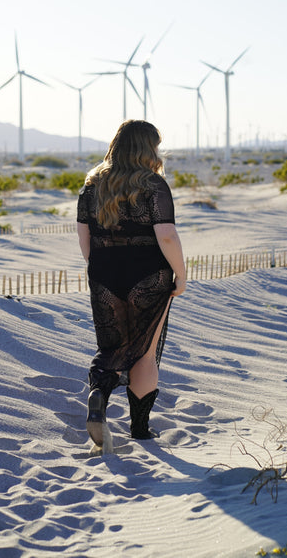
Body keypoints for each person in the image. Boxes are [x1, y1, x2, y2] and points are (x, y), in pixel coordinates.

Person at [77, 120, 186, 449]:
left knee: (112, 347)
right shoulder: (153, 185)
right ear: (147, 148)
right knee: (145, 352)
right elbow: (165, 235)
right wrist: (181, 274)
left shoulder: (92, 185)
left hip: (104, 273)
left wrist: (101, 267)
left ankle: (98, 395)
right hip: (148, 275)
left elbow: (85, 239)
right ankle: (139, 429)